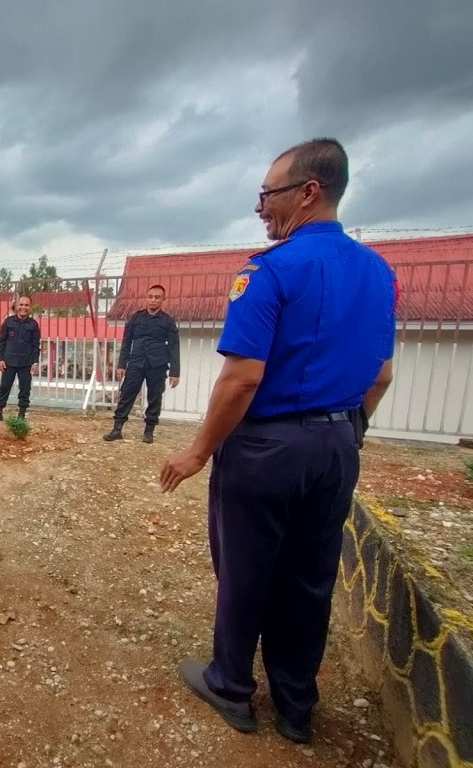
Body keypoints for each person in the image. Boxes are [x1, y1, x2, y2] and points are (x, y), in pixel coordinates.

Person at [159, 139, 396, 745]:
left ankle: (232, 688)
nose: (261, 206)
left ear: (308, 192)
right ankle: (296, 707)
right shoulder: (378, 273)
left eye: (269, 193)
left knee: (245, 571)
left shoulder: (269, 270)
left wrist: (197, 452)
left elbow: (242, 379)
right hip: (338, 446)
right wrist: (348, 433)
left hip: (267, 450)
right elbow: (383, 374)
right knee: (311, 576)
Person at [103, 285, 180, 443]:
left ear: (163, 300)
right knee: (126, 394)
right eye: (150, 296)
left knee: (155, 397)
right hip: (136, 362)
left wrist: (175, 372)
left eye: (157, 297)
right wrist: (121, 365)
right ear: (147, 297)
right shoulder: (136, 318)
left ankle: (149, 432)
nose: (153, 300)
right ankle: (117, 429)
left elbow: (174, 346)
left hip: (157, 364)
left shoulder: (167, 321)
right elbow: (126, 342)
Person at [0, 295, 40, 422]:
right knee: (4, 387)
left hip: (25, 362)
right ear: (17, 306)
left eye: (26, 305)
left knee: (25, 388)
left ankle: (21, 414)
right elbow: (2, 342)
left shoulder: (33, 325)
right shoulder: (8, 322)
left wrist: (35, 362)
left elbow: (35, 345)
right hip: (9, 361)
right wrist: (0, 359)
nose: (23, 307)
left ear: (30, 307)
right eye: (21, 304)